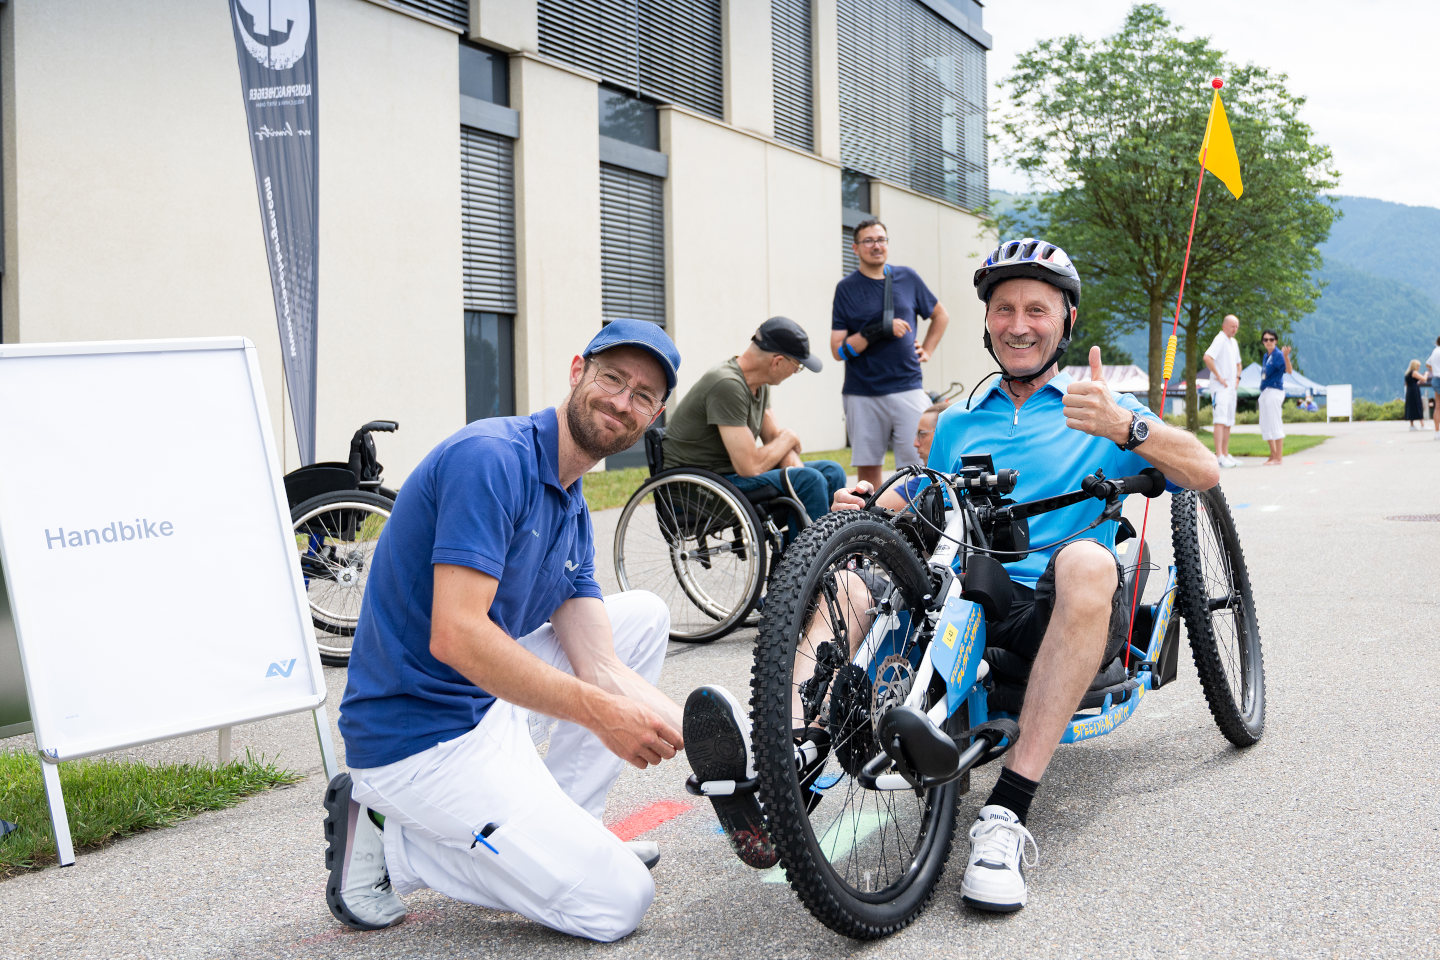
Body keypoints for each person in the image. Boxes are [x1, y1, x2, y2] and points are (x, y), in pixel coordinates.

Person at [683, 237, 1218, 912]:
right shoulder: (960, 422)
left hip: (1058, 607)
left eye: (1036, 310)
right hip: (963, 598)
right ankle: (785, 759)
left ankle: (1007, 814)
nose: (1018, 325)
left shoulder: (1098, 408)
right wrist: (864, 506)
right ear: (988, 322)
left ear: (1067, 321)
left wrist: (1126, 429)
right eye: (1004, 310)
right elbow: (920, 496)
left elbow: (1203, 471)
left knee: (1085, 560)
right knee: (849, 584)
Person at [326, 319, 687, 943]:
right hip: (417, 739)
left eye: (643, 396)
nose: (622, 402)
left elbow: (602, 666)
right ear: (577, 372)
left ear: (653, 417)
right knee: (619, 902)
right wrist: (601, 713)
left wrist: (722, 743)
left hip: (483, 704)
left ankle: (572, 828)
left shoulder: (571, 503)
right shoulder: (492, 459)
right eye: (612, 379)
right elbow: (458, 637)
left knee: (643, 617)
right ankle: (394, 845)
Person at [662, 316, 845, 529]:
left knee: (831, 471)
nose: (795, 372)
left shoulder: (758, 384)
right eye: (797, 366)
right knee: (809, 481)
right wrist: (790, 438)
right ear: (777, 361)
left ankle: (812, 545)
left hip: (726, 476)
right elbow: (750, 467)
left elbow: (774, 439)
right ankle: (813, 549)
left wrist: (794, 465)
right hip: (697, 489)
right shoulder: (727, 384)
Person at [831, 218, 951, 491]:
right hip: (862, 392)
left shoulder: (907, 278)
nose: (876, 246)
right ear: (855, 248)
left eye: (881, 239)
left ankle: (913, 516)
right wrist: (878, 329)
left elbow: (941, 315)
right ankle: (874, 516)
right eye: (869, 241)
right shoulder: (846, 288)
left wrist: (928, 350)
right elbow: (838, 350)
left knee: (919, 461)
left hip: (907, 386)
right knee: (868, 469)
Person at [1202, 313, 1242, 467]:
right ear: (1224, 326)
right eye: (1232, 326)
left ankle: (1225, 453)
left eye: (1236, 326)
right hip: (1220, 388)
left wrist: (1237, 378)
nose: (1235, 329)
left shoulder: (1233, 342)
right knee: (1219, 420)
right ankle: (1218, 455)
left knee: (1228, 421)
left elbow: (1239, 363)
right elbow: (1207, 357)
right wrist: (1219, 377)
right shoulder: (1220, 339)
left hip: (1231, 387)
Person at [1259, 329, 1292, 465]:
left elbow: (1289, 370)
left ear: (1276, 341)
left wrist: (1286, 356)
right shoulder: (1266, 356)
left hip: (1274, 390)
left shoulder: (1278, 355)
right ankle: (1273, 455)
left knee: (1274, 422)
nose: (1268, 342)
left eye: (1271, 339)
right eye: (1265, 339)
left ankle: (1279, 457)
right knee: (1265, 423)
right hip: (1265, 391)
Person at [1404, 359, 1427, 430]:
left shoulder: (1407, 373)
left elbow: (1407, 383)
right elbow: (1424, 379)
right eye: (1418, 366)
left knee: (1411, 407)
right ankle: (1422, 425)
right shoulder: (1414, 372)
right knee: (1418, 405)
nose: (1419, 368)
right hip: (1415, 391)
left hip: (1409, 391)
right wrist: (1426, 374)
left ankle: (1412, 425)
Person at [1426, 335, 1440, 437]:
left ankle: (1437, 432)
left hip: (1436, 379)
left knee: (1437, 406)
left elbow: (1427, 364)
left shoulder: (1435, 351)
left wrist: (1434, 370)